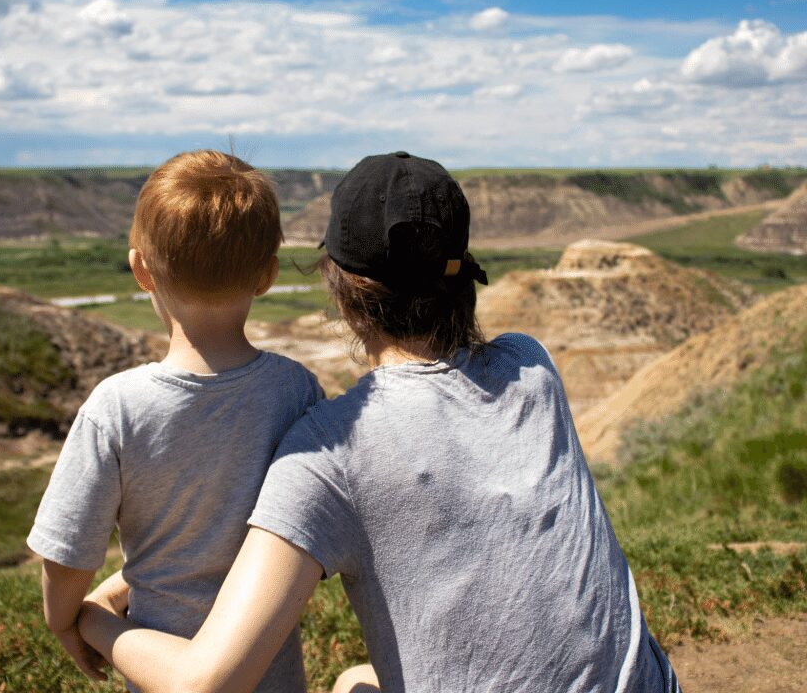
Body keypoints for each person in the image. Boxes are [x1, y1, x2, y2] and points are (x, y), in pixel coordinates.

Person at [77, 151, 684, 693]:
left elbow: (203, 681)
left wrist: (91, 621)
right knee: (358, 681)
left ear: (341, 290)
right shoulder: (533, 366)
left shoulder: (330, 452)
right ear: (462, 271)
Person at [26, 150, 323, 692]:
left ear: (141, 270)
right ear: (268, 275)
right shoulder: (295, 390)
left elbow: (67, 555)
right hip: (271, 672)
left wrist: (64, 621)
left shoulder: (115, 407)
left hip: (159, 668)